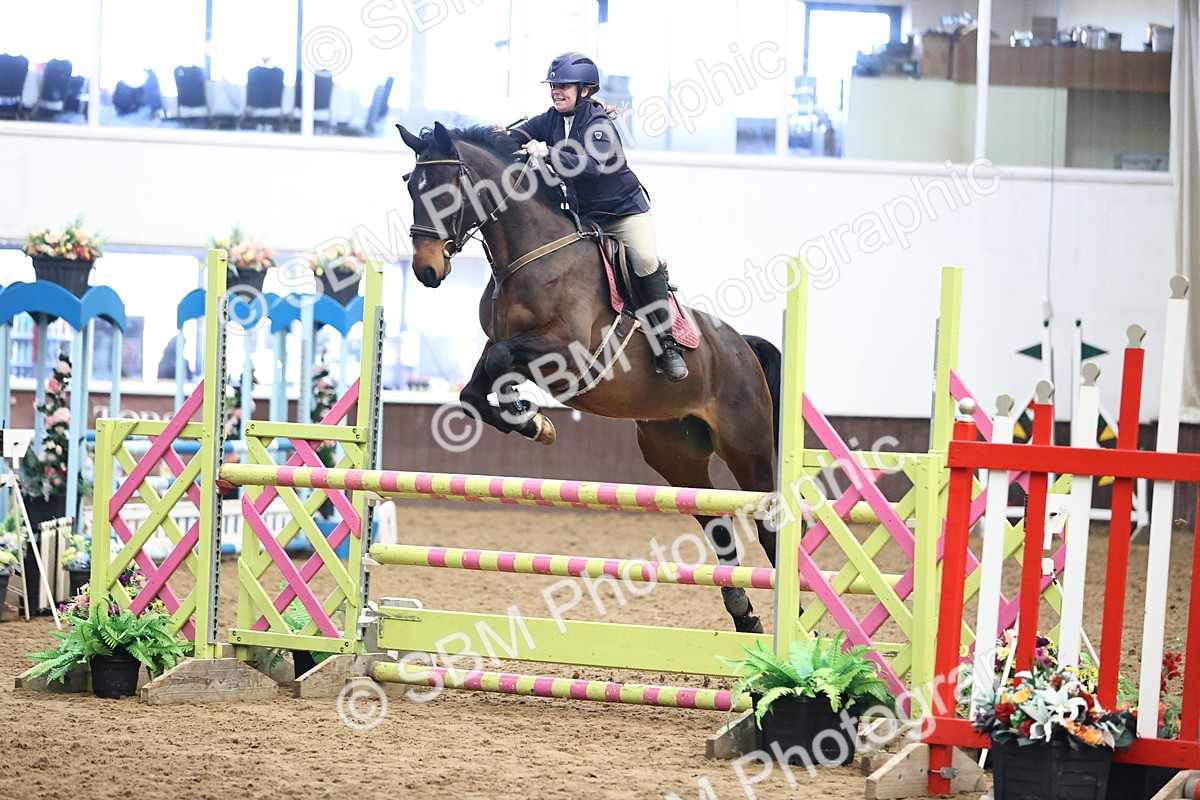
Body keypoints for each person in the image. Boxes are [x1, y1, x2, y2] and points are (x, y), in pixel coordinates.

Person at [501, 51, 688, 382]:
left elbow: (593, 166)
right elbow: (521, 134)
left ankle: (666, 343)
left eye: (564, 86)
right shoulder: (551, 119)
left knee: (644, 259)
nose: (556, 91)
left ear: (584, 90)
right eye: (553, 86)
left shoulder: (599, 126)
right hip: (585, 219)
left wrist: (548, 152)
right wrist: (500, 136)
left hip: (623, 215)